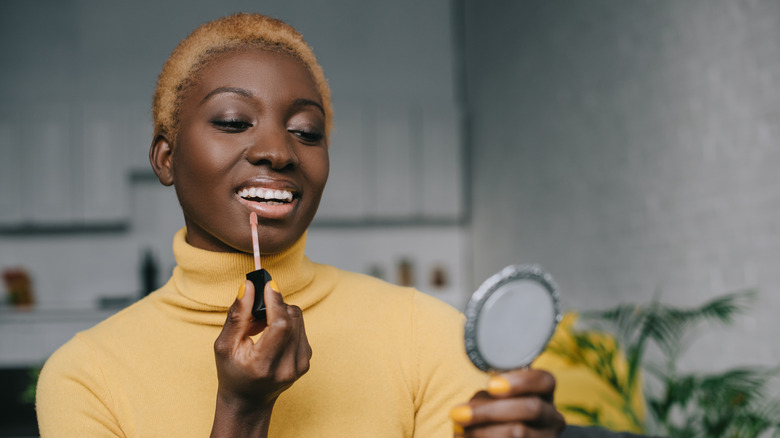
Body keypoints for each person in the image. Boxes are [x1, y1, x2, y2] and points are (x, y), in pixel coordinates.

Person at [36, 13, 657, 438]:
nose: (278, 150)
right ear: (165, 159)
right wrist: (241, 414)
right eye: (232, 121)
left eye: (305, 131)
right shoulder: (85, 376)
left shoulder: (425, 334)